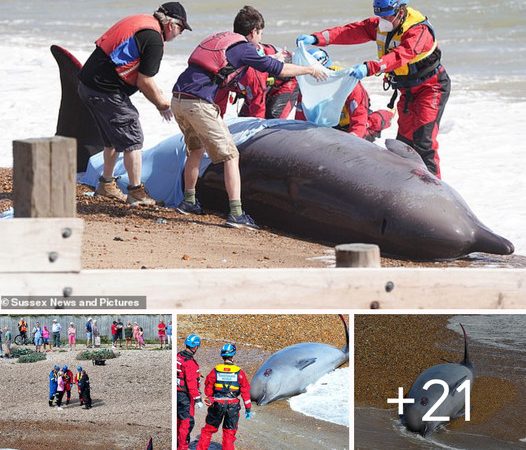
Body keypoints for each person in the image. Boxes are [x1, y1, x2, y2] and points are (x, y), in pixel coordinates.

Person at [171, 5, 326, 229]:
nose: (260, 37)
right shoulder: (243, 48)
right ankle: (236, 214)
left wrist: (272, 57)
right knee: (231, 156)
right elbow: (277, 70)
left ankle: (188, 202)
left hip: (178, 99)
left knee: (195, 151)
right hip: (197, 103)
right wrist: (310, 70)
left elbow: (244, 62)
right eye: (260, 33)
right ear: (253, 32)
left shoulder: (223, 39)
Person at [297, 0, 450, 177]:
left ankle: (435, 186)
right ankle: (405, 181)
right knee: (404, 143)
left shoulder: (419, 31)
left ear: (401, 11)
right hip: (407, 91)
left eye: (386, 16)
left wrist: (369, 67)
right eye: (380, 16)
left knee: (424, 141)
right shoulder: (383, 24)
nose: (382, 20)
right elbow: (350, 31)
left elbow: (401, 55)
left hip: (431, 88)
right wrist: (317, 38)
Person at [78, 2, 191, 205]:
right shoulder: (154, 40)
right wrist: (162, 104)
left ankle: (106, 184)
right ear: (172, 25)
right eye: (181, 29)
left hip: (86, 84)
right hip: (104, 89)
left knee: (112, 139)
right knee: (133, 137)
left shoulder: (141, 23)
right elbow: (144, 81)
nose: (180, 34)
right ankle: (136, 192)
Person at [296, 48, 394, 142]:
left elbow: (359, 117)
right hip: (329, 124)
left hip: (352, 122)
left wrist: (353, 138)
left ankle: (383, 117)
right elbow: (301, 118)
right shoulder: (307, 84)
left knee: (367, 127)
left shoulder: (348, 82)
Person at [215, 43, 299, 119]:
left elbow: (258, 112)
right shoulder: (218, 76)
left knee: (272, 118)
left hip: (288, 80)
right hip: (262, 84)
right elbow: (218, 106)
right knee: (244, 120)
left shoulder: (250, 75)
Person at [196, 343, 252, 450]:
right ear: (233, 355)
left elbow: (208, 386)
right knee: (229, 433)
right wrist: (248, 409)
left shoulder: (215, 370)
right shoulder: (239, 372)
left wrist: (211, 397)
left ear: (222, 356)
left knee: (208, 430)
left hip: (217, 404)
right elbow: (245, 391)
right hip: (233, 406)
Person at [177, 334, 203, 450]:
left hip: (177, 393)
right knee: (187, 423)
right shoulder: (190, 363)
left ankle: (177, 443)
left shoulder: (178, 356)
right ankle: (182, 446)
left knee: (178, 420)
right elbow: (191, 383)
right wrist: (198, 399)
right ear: (195, 347)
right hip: (184, 396)